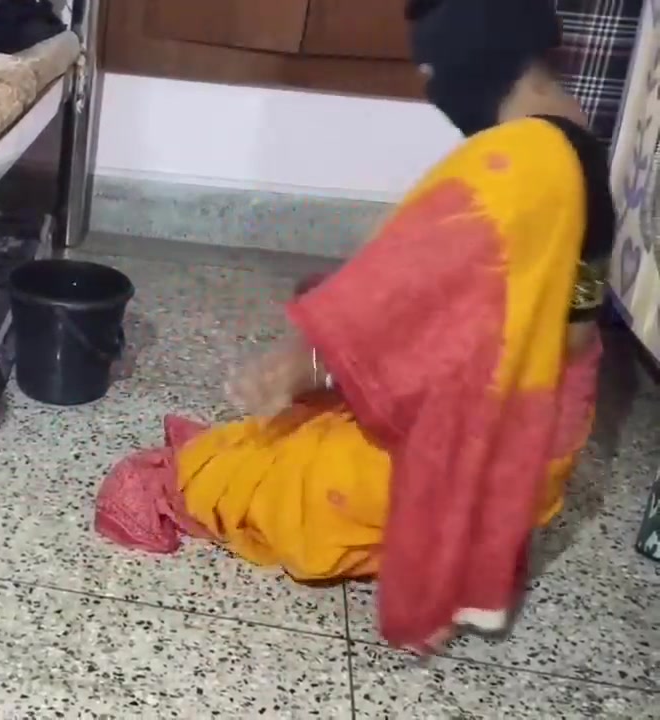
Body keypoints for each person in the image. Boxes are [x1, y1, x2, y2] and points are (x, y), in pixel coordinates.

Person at [95, 0, 612, 653]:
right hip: (533, 462)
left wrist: (304, 361)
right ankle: (471, 546)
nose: (432, 87)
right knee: (312, 430)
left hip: (470, 454)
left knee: (250, 477)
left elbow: (397, 288)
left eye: (433, 68)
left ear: (478, 48)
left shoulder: (520, 159)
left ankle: (435, 544)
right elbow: (568, 326)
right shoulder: (579, 147)